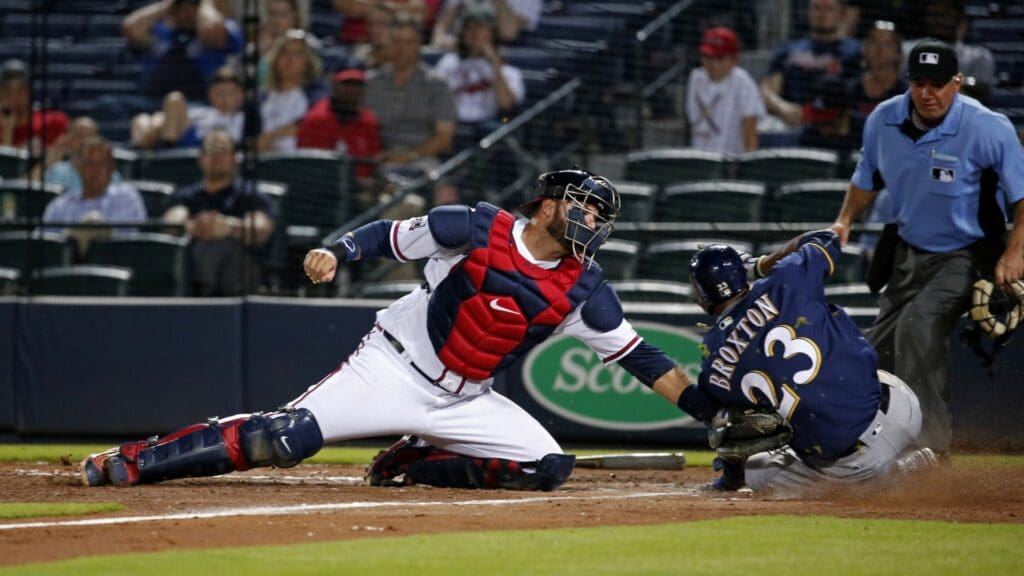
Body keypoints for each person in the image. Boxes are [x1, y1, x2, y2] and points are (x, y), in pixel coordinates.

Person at [80, 169, 698, 490]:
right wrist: (338, 250)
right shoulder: (474, 228)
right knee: (285, 438)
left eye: (598, 214)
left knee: (545, 467)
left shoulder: (585, 287)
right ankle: (139, 460)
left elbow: (643, 359)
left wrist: (707, 407)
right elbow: (391, 237)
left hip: (468, 399)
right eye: (581, 205)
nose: (591, 220)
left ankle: (413, 460)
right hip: (393, 366)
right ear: (546, 205)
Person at [830, 39, 1024, 456]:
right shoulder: (883, 120)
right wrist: (845, 219)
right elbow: (866, 179)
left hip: (966, 254)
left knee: (918, 328)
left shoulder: (988, 127)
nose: (927, 93)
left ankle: (929, 450)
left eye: (938, 83)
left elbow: (1022, 196)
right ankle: (862, 444)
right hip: (906, 252)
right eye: (919, 82)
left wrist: (1014, 253)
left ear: (958, 83)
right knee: (873, 350)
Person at [681, 233, 937, 496]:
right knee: (842, 362)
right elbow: (827, 237)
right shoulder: (786, 278)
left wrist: (729, 481)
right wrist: (760, 265)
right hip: (903, 406)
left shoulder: (713, 362)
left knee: (760, 475)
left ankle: (889, 480)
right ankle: (904, 451)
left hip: (854, 464)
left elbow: (730, 432)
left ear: (702, 294)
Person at [162, 128, 276, 296]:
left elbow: (261, 229)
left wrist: (228, 227)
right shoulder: (186, 196)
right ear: (200, 158)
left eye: (223, 150)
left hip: (239, 279)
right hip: (191, 270)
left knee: (222, 244)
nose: (216, 156)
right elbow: (171, 223)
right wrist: (196, 227)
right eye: (210, 150)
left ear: (235, 158)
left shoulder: (250, 195)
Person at [365, 16, 457, 176]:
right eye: (397, 41)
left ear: (419, 46)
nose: (402, 49)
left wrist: (407, 157)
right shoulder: (371, 82)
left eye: (409, 42)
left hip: (422, 161)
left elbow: (444, 139)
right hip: (376, 159)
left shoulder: (437, 84)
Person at [760, 0, 861, 129]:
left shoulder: (855, 52)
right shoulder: (789, 50)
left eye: (829, 9)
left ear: (841, 14)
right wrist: (783, 108)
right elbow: (767, 89)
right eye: (816, 8)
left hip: (837, 128)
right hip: (792, 125)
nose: (822, 14)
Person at [42, 136, 147, 255]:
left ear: (112, 168)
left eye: (103, 164)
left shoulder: (126, 197)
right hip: (69, 268)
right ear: (79, 167)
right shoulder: (59, 206)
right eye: (90, 163)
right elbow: (46, 248)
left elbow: (126, 244)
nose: (97, 170)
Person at [122, 0, 243, 102]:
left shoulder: (222, 29)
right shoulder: (161, 31)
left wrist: (205, 3)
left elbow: (212, 29)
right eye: (182, 4)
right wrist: (167, 5)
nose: (186, 10)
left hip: (199, 102)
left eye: (192, 4)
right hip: (152, 99)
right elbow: (131, 26)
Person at [435, 8, 524, 143]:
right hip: (453, 125)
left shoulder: (509, 71)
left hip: (488, 126)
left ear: (492, 33)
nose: (474, 33)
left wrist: (495, 63)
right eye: (469, 28)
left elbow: (506, 104)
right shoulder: (449, 62)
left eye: (481, 28)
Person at [685, 27, 764, 155]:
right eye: (707, 57)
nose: (712, 64)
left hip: (730, 162)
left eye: (719, 58)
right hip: (699, 160)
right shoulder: (696, 78)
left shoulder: (743, 82)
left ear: (734, 59)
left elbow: (750, 130)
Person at [295, 68, 381, 184]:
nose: (352, 90)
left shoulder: (369, 121)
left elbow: (373, 160)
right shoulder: (317, 120)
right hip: (322, 190)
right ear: (334, 85)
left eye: (357, 85)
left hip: (361, 191)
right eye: (347, 84)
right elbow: (311, 166)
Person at [132, 65, 245, 150]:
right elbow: (162, 119)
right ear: (210, 94)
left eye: (229, 93)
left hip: (207, 151)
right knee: (141, 119)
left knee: (174, 100)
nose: (224, 98)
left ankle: (165, 151)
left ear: (241, 95)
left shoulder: (245, 118)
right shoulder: (203, 113)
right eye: (219, 93)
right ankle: (161, 151)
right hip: (181, 145)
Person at [903, 0, 995, 103]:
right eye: (935, 13)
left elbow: (982, 90)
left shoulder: (980, 56)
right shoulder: (907, 51)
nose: (940, 19)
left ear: (959, 16)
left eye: (946, 13)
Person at [258, 29, 325, 153]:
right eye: (284, 53)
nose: (289, 60)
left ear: (307, 62)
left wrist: (271, 137)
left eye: (298, 54)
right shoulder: (262, 97)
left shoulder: (315, 95)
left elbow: (312, 124)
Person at [0, 59, 68, 149]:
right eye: (8, 90)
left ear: (29, 91)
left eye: (21, 89)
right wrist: (8, 130)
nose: (14, 96)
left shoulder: (52, 121)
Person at [431, 0, 541, 49]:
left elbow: (508, 33)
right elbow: (442, 27)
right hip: (460, 52)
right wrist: (441, 38)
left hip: (504, 56)